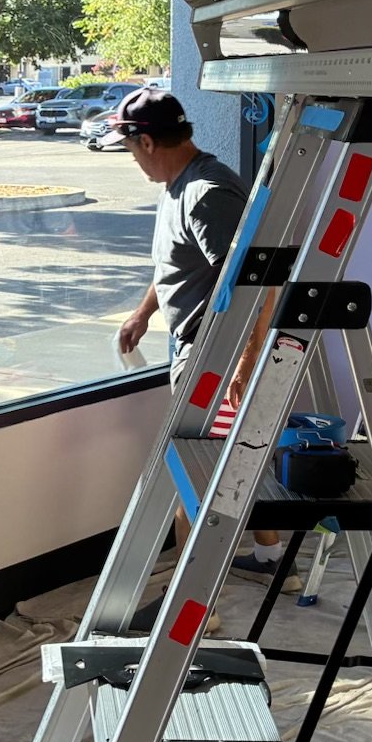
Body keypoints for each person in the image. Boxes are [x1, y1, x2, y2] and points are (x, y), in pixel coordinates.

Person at [111, 88, 294, 589]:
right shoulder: (179, 186)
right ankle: (272, 560)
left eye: (129, 149)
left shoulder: (208, 193)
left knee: (186, 474)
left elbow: (255, 284)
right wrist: (144, 311)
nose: (132, 161)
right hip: (207, 350)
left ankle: (192, 605)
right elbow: (175, 262)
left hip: (213, 355)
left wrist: (246, 357)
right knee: (231, 459)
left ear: (145, 141)